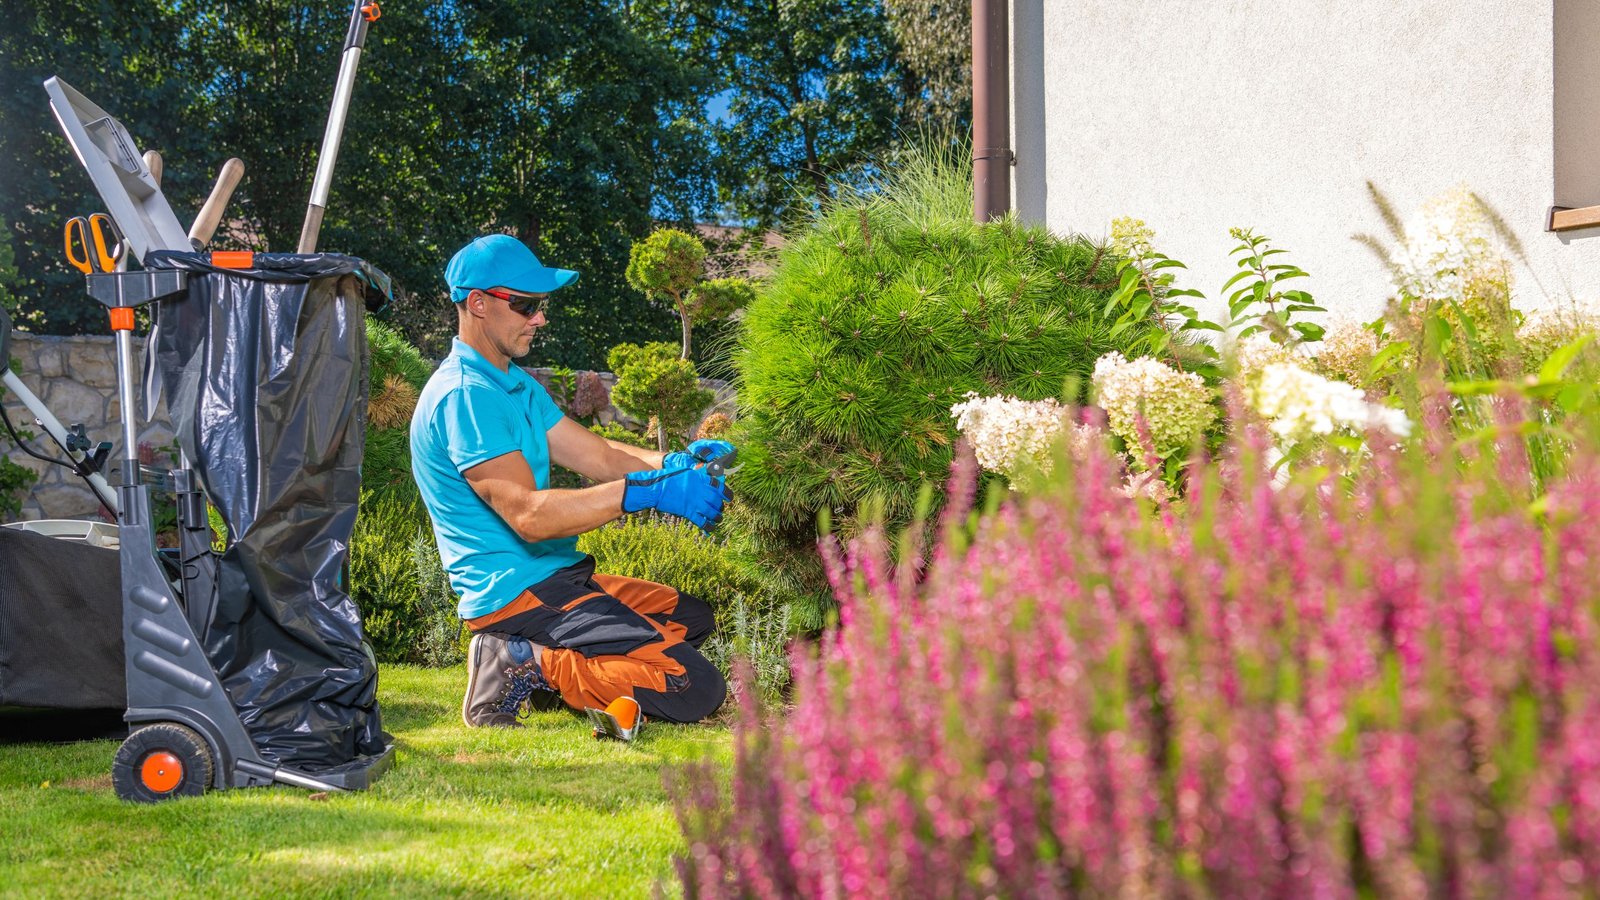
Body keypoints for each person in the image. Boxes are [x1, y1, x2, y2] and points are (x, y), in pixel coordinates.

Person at [410, 234, 732, 730]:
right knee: (693, 686)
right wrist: (646, 493)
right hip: (515, 594)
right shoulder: (466, 396)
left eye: (541, 305)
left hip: (556, 577)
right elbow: (529, 516)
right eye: (526, 305)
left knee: (689, 618)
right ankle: (521, 662)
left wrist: (678, 463)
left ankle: (550, 677)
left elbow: (601, 455)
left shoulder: (513, 385)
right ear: (477, 303)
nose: (539, 318)